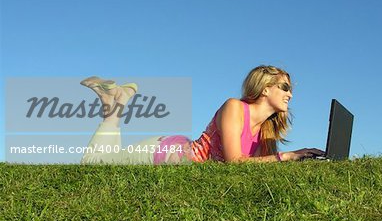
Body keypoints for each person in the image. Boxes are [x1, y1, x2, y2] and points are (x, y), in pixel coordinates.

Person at [80, 65, 325, 164]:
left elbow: (258, 167)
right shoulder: (234, 107)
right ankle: (112, 105)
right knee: (94, 164)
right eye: (284, 87)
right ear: (264, 88)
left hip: (175, 153)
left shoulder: (265, 131)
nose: (290, 94)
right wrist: (289, 156)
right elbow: (234, 161)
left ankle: (116, 103)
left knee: (105, 159)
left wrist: (305, 158)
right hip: (166, 153)